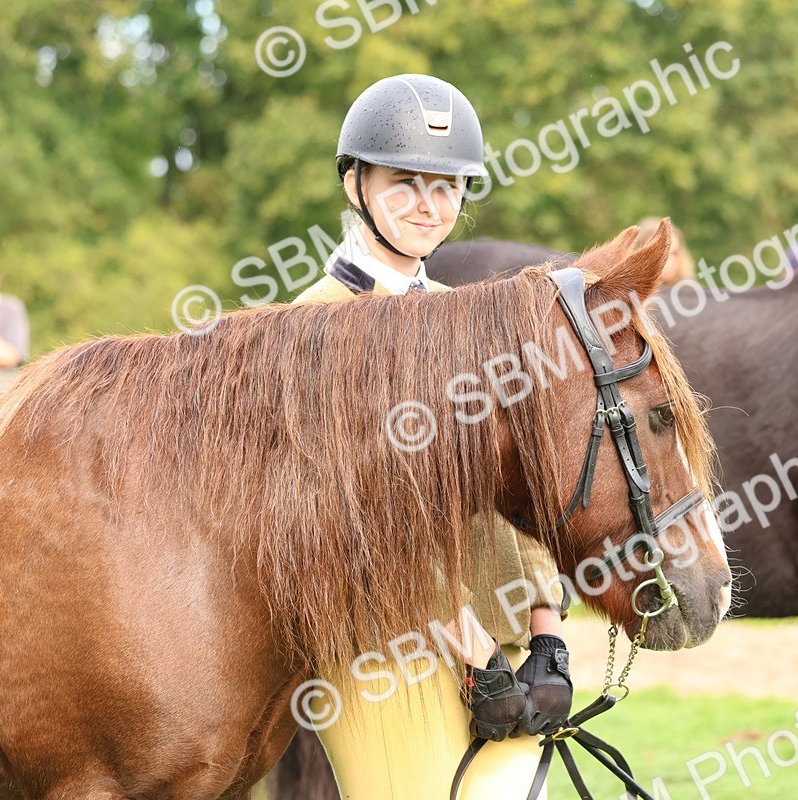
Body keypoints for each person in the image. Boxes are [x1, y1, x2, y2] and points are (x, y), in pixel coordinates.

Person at [290, 74, 572, 799]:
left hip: (502, 656)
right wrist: (465, 645)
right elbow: (360, 523)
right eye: (404, 182)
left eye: (446, 185)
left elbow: (521, 490)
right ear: (356, 184)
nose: (428, 204)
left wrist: (547, 639)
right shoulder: (310, 329)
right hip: (387, 656)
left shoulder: (468, 318)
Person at [634, 216, 694, 284]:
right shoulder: (629, 292)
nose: (670, 260)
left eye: (674, 253)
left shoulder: (692, 290)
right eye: (661, 253)